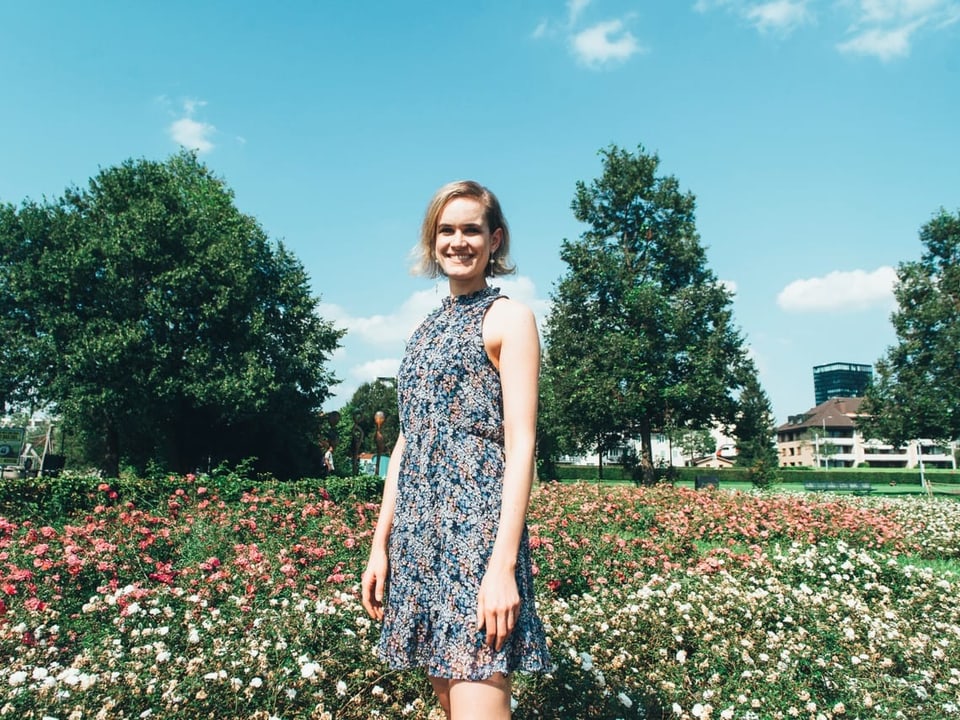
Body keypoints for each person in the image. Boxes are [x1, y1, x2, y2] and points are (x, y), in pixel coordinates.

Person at [361, 181, 551, 719]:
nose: (458, 241)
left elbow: (522, 443)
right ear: (432, 240)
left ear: (495, 240)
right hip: (421, 538)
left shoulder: (509, 318)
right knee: (449, 704)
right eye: (447, 230)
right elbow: (408, 441)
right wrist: (382, 546)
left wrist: (502, 567)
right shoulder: (425, 329)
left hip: (476, 539)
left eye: (471, 229)